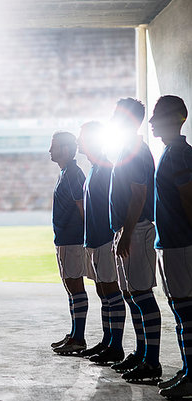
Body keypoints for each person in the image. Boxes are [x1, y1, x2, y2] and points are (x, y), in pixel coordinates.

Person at [109, 98, 161, 382]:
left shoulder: (137, 151)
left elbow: (139, 194)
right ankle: (142, 355)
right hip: (128, 228)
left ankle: (152, 362)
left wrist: (126, 234)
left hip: (137, 229)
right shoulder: (126, 149)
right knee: (132, 296)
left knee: (142, 295)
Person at [150, 95, 192, 398]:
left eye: (158, 115)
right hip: (171, 242)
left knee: (186, 311)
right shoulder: (171, 152)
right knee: (181, 310)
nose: (152, 122)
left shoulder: (178, 153)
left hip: (181, 243)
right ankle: (188, 369)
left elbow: (188, 197)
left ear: (177, 117)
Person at [77, 122, 126, 364]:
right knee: (102, 291)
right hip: (93, 240)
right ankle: (108, 340)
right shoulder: (94, 169)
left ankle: (115, 345)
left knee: (111, 290)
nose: (79, 142)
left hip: (105, 239)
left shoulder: (106, 169)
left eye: (82, 138)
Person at [49, 132, 88, 355]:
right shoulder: (66, 172)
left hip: (73, 240)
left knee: (75, 286)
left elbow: (82, 207)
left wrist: (83, 239)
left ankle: (79, 337)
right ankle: (75, 334)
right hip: (64, 239)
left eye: (53, 146)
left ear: (65, 149)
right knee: (70, 287)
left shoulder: (73, 174)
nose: (49, 150)